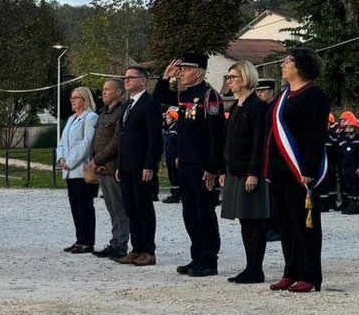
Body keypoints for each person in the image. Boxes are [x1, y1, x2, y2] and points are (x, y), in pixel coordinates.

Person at [266, 47, 331, 293]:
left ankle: (310, 274)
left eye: (288, 61)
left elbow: (315, 135)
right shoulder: (284, 96)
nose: (283, 65)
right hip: (279, 171)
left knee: (306, 225)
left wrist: (309, 169)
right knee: (285, 224)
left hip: (300, 171)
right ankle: (290, 271)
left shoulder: (314, 95)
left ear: (301, 66)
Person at [156, 53, 224, 278]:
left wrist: (214, 167)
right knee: (189, 213)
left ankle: (209, 260)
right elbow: (160, 97)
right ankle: (197, 256)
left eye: (186, 69)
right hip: (185, 163)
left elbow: (216, 134)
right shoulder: (186, 95)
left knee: (204, 212)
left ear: (200, 72)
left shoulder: (208, 95)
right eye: (181, 69)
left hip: (202, 165)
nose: (182, 72)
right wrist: (166, 77)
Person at [218, 61, 270, 283]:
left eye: (233, 77)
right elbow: (227, 140)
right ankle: (249, 266)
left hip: (249, 172)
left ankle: (256, 269)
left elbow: (259, 142)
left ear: (246, 78)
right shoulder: (236, 106)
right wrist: (223, 168)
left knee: (253, 221)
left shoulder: (257, 107)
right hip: (234, 170)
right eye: (228, 77)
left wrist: (253, 172)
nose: (229, 81)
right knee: (244, 221)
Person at [113, 66, 162, 267]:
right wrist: (119, 165)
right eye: (125, 78)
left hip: (142, 166)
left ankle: (148, 251)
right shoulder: (127, 105)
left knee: (144, 209)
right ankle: (137, 248)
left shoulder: (149, 104)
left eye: (131, 77)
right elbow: (123, 136)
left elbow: (155, 138)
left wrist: (150, 165)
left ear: (143, 80)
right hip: (126, 166)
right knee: (131, 209)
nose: (126, 81)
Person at [89, 78, 129, 259]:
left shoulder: (120, 112)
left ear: (118, 92)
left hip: (112, 167)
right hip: (102, 168)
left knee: (119, 208)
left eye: (107, 89)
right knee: (111, 208)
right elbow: (96, 138)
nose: (103, 92)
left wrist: (97, 159)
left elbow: (116, 142)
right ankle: (114, 241)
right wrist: (93, 158)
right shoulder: (104, 114)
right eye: (103, 89)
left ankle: (122, 243)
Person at [56, 86, 99, 253]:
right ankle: (79, 238)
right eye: (72, 98)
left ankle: (87, 241)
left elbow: (87, 143)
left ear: (85, 100)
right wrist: (61, 158)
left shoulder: (90, 117)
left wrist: (71, 161)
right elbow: (62, 141)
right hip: (68, 170)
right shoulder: (71, 119)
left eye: (76, 97)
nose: (72, 100)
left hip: (81, 169)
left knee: (85, 205)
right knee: (75, 205)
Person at [338, 112, 359, 215]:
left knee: (356, 185)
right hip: (347, 166)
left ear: (356, 128)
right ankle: (350, 203)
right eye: (347, 127)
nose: (348, 129)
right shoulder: (344, 140)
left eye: (350, 127)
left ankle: (357, 205)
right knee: (348, 185)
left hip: (355, 167)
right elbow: (341, 154)